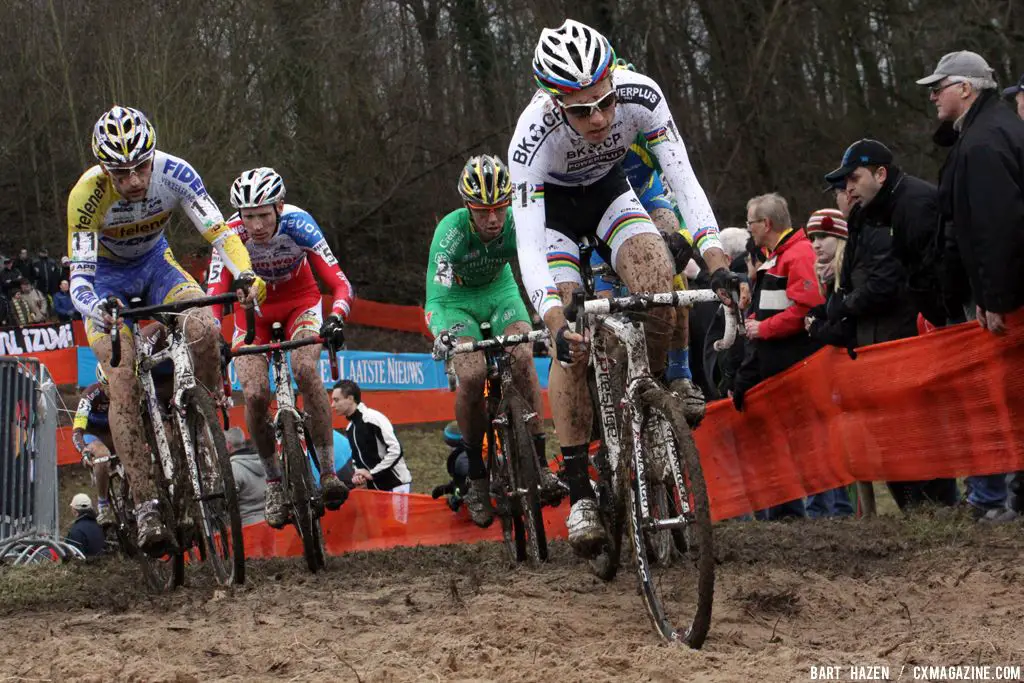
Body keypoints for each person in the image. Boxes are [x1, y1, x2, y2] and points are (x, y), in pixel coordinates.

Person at [509, 19, 735, 554]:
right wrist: (554, 320)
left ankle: (652, 395)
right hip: (555, 212)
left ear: (615, 80)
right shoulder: (530, 137)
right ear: (553, 101)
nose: (600, 117)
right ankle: (581, 487)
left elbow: (684, 180)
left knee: (658, 274)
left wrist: (717, 259)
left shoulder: (642, 95)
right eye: (581, 110)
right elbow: (528, 245)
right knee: (571, 337)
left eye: (605, 101)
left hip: (611, 190)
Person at [67, 105, 264, 553]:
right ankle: (146, 504)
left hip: (158, 266)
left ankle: (204, 415)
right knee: (122, 376)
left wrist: (247, 274)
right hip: (105, 280)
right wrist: (96, 308)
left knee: (202, 323)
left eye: (140, 168)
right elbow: (78, 277)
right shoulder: (86, 195)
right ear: (104, 169)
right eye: (121, 173)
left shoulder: (176, 173)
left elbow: (219, 232)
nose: (134, 180)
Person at [208, 167, 353, 528]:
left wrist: (336, 316)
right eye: (248, 216)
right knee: (255, 394)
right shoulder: (230, 234)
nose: (255, 225)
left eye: (263, 215)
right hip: (253, 313)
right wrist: (214, 331)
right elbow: (214, 292)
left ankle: (329, 472)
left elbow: (339, 283)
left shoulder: (300, 224)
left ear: (279, 207)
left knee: (306, 371)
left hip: (299, 300)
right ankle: (273, 481)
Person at [424, 154, 558, 528]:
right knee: (470, 375)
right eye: (482, 211)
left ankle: (541, 462)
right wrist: (442, 334)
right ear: (468, 207)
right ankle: (478, 480)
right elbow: (435, 296)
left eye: (499, 208)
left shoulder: (517, 223)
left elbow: (540, 265)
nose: (493, 219)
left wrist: (549, 310)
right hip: (457, 303)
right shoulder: (450, 232)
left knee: (521, 358)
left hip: (501, 293)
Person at [918, 51, 1024, 520]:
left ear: (967, 88)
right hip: (1006, 290)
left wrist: (993, 298)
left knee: (1012, 398)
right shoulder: (987, 132)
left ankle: (1008, 501)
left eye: (939, 86)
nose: (933, 95)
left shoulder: (984, 142)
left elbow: (995, 227)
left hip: (1013, 298)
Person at [731, 193, 824, 520]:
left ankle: (816, 514)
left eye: (750, 222)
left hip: (795, 368)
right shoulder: (776, 257)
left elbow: (808, 309)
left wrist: (764, 328)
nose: (748, 229)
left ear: (766, 224)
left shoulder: (797, 255)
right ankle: (789, 512)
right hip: (775, 368)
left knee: (803, 445)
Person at [801, 209, 855, 519]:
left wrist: (817, 328)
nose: (816, 245)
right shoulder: (826, 275)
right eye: (812, 239)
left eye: (823, 237)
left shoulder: (846, 273)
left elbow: (844, 323)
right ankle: (839, 508)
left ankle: (845, 508)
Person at [331, 380, 412, 493]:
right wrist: (358, 474)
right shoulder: (350, 428)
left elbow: (396, 450)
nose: (332, 405)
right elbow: (357, 460)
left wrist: (372, 473)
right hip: (375, 490)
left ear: (350, 399)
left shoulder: (373, 418)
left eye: (336, 400)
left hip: (397, 485)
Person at [72, 368, 116, 526]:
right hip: (94, 434)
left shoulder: (124, 388)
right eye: (107, 386)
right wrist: (83, 450)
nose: (112, 390)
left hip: (116, 433)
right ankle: (103, 505)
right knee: (102, 456)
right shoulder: (90, 394)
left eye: (114, 385)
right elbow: (77, 431)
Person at [225, 427, 267, 527]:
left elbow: (228, 503)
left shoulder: (233, 469)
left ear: (228, 445)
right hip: (269, 521)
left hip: (248, 527)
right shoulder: (262, 461)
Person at [431, 421, 471, 512]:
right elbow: (462, 480)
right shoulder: (467, 453)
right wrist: (448, 488)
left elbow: (472, 483)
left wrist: (457, 498)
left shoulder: (463, 460)